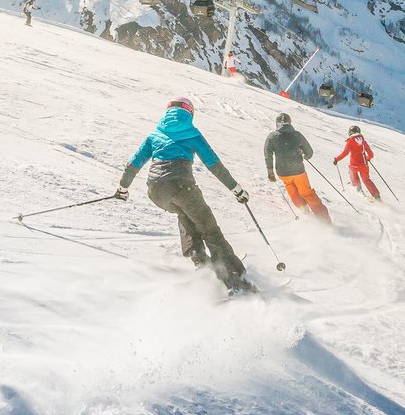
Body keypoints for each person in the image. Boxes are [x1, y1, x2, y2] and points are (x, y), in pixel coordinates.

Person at [115, 97, 253, 292]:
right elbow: (213, 164)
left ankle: (200, 262)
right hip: (181, 185)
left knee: (184, 214)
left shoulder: (155, 134)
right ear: (190, 113)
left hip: (156, 190)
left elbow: (134, 163)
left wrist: (123, 188)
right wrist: (236, 189)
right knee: (208, 228)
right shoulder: (192, 133)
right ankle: (236, 281)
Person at [265, 113, 331, 222]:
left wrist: (270, 171)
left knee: (292, 189)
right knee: (307, 192)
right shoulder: (297, 135)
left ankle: (305, 211)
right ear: (290, 123)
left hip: (283, 172)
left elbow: (268, 154)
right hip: (298, 170)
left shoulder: (272, 137)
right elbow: (309, 152)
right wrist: (304, 155)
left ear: (277, 124)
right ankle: (324, 218)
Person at [333, 124, 380, 199]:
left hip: (354, 165)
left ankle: (359, 189)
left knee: (352, 172)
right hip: (364, 165)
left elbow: (345, 153)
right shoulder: (363, 141)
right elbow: (371, 154)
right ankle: (377, 197)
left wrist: (337, 159)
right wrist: (367, 158)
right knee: (366, 180)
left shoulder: (350, 141)